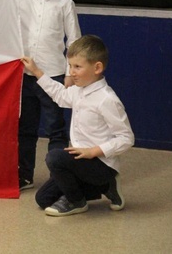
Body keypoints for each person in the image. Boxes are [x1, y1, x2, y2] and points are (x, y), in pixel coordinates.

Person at [0, 0, 81, 191]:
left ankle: (59, 175)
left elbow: (73, 41)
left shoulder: (65, 5)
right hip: (25, 77)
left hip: (52, 77)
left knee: (55, 128)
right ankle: (25, 174)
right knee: (26, 128)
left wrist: (69, 72)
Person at [21, 35, 134, 217]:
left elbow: (126, 138)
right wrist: (36, 71)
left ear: (97, 67)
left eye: (77, 67)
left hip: (100, 164)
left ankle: (77, 202)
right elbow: (59, 95)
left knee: (55, 158)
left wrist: (94, 151)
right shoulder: (79, 90)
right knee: (43, 199)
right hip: (81, 161)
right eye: (70, 66)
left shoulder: (107, 99)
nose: (72, 72)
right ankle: (106, 187)